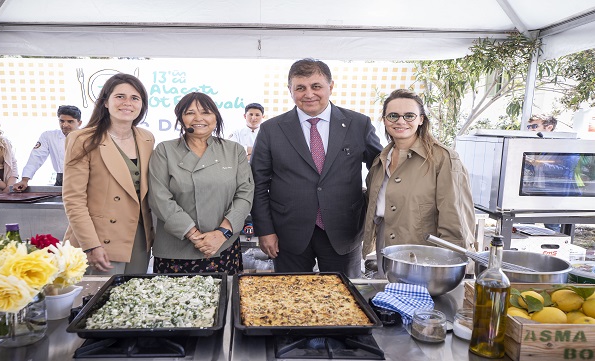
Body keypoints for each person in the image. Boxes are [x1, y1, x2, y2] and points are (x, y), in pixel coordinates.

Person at [251, 58, 382, 278]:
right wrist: (265, 231)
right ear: (290, 90)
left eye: (316, 86)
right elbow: (257, 184)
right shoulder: (270, 130)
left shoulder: (359, 124)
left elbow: (380, 170)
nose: (308, 94)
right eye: (300, 88)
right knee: (291, 299)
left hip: (344, 231)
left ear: (330, 87)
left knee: (346, 300)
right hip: (288, 235)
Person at [360, 89, 475, 267]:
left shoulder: (443, 159)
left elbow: (455, 218)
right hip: (386, 251)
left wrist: (452, 262)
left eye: (409, 116)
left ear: (421, 119)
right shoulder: (380, 159)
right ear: (384, 120)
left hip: (425, 256)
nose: (400, 121)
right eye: (393, 116)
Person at [148, 92, 253, 275]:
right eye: (190, 113)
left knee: (225, 301)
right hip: (176, 250)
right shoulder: (165, 150)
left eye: (205, 112)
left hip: (223, 246)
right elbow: (159, 197)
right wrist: (194, 236)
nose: (198, 118)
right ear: (181, 118)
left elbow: (245, 193)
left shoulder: (233, 150)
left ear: (215, 117)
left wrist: (221, 234)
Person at [62, 73, 155, 275]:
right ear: (105, 102)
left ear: (142, 105)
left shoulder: (146, 138)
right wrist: (91, 245)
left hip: (139, 238)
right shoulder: (82, 139)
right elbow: (73, 199)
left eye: (135, 98)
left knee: (133, 301)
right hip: (100, 239)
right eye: (120, 96)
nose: (127, 103)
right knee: (99, 302)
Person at [525, 114, 579, 232]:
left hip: (555, 195)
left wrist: (538, 163)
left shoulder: (566, 145)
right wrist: (528, 163)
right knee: (525, 226)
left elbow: (565, 171)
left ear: (549, 128)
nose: (531, 129)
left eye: (535, 126)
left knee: (553, 228)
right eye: (529, 127)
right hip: (537, 192)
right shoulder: (544, 145)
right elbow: (538, 168)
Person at [13, 105, 82, 190]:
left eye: (70, 122)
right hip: (60, 179)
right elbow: (36, 157)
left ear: (79, 123)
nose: (65, 125)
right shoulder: (49, 136)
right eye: (62, 121)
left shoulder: (87, 137)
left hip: (83, 179)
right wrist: (24, 180)